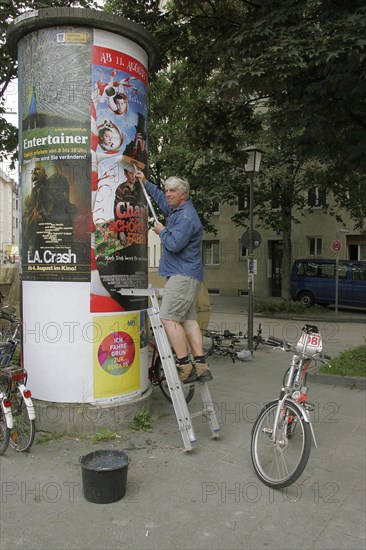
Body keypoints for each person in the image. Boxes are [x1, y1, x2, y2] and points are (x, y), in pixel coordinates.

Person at [135, 170, 213, 384]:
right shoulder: (179, 210)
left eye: (172, 191)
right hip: (186, 274)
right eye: (167, 190)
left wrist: (161, 231)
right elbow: (161, 200)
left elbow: (173, 244)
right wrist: (146, 183)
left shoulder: (186, 217)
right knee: (188, 320)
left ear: (183, 195)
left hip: (182, 275)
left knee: (168, 318)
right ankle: (201, 366)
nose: (168, 194)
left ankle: (184, 365)